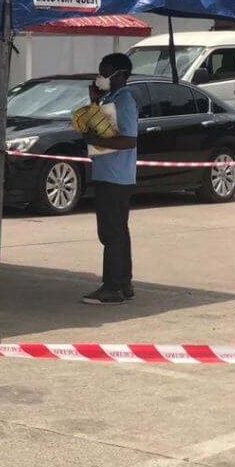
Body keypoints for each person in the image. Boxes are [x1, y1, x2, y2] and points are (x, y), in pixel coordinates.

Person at [81, 53, 138, 305]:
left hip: (116, 177)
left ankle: (112, 287)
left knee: (111, 232)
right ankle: (123, 283)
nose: (100, 77)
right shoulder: (110, 99)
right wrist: (93, 102)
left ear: (120, 74)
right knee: (117, 232)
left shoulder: (125, 100)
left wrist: (98, 141)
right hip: (106, 174)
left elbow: (129, 140)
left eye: (105, 72)